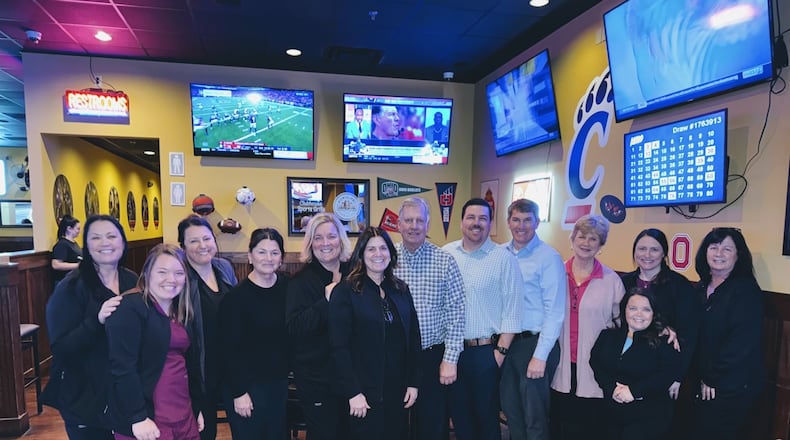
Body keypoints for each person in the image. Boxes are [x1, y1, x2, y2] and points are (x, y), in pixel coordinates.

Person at [41, 215, 138, 439]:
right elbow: (62, 348)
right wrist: (97, 320)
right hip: (86, 400)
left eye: (111, 236)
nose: (105, 243)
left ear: (123, 242)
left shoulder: (132, 280)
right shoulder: (70, 287)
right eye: (96, 237)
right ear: (86, 245)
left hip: (124, 395)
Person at [328, 226, 421, 440]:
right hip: (362, 395)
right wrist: (353, 392)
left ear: (391, 253)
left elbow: (413, 339)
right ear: (361, 254)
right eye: (371, 249)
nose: (378, 254)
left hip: (397, 392)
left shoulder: (400, 289)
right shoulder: (345, 291)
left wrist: (413, 382)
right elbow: (338, 347)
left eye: (383, 248)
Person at [442, 198, 523, 440]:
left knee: (487, 422)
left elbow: (513, 310)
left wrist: (499, 354)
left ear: (490, 224)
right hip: (451, 352)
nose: (476, 223)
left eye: (483, 218)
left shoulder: (504, 258)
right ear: (461, 222)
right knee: (461, 420)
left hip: (486, 353)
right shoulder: (446, 254)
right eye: (471, 217)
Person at [106, 244, 204, 440]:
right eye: (162, 272)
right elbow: (123, 368)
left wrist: (197, 406)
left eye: (179, 273)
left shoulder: (183, 310)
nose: (171, 279)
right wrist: (138, 417)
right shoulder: (130, 307)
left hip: (183, 413)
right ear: (147, 273)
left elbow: (190, 364)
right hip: (147, 419)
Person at [393, 197, 465, 440]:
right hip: (395, 358)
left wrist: (450, 359)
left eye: (419, 220)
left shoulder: (445, 261)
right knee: (395, 424)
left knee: (432, 426)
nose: (414, 226)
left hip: (431, 357)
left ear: (427, 224)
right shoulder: (386, 259)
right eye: (408, 220)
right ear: (399, 224)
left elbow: (456, 314)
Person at [550, 214, 625, 440]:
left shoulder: (612, 281)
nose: (586, 243)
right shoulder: (555, 273)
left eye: (593, 239)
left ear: (601, 245)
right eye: (581, 236)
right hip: (559, 364)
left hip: (595, 368)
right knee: (560, 427)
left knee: (590, 429)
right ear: (572, 239)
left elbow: (622, 325)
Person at [499, 199, 566, 440]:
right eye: (516, 220)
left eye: (528, 220)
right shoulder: (500, 253)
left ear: (537, 222)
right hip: (506, 343)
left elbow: (555, 311)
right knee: (511, 411)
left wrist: (540, 355)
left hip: (534, 344)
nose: (522, 226)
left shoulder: (549, 257)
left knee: (534, 419)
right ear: (508, 222)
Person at [690, 227, 764, 440]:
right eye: (713, 247)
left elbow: (740, 344)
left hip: (730, 385)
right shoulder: (700, 288)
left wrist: (712, 377)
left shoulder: (746, 291)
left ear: (738, 255)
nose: (719, 253)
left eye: (727, 249)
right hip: (703, 380)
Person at [286, 213, 353, 440]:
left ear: (340, 239)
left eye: (331, 236)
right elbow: (295, 328)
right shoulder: (300, 281)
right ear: (310, 243)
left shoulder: (355, 273)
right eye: (318, 237)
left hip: (352, 376)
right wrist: (326, 301)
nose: (326, 243)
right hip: (317, 380)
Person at [219, 228, 290, 440]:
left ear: (281, 257)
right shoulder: (235, 299)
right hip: (246, 387)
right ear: (250, 256)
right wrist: (239, 392)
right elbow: (227, 351)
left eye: (274, 252)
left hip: (278, 383)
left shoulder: (288, 287)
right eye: (261, 252)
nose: (268, 258)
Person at [177, 215, 238, 440]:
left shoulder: (224, 267)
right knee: (204, 432)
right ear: (183, 246)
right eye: (193, 241)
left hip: (230, 366)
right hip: (199, 370)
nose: (202, 245)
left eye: (207, 238)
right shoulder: (179, 276)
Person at [590, 288, 680, 440]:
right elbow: (595, 363)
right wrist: (612, 388)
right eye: (633, 308)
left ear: (654, 314)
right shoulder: (607, 336)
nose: (639, 314)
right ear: (624, 310)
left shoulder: (665, 341)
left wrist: (633, 391)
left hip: (649, 416)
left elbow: (666, 374)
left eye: (646, 309)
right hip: (612, 411)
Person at [620, 229, 698, 402]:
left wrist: (678, 377)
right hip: (627, 366)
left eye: (654, 249)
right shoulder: (623, 282)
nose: (647, 255)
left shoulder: (679, 285)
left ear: (664, 253)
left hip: (662, 372)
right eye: (642, 249)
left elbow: (689, 333)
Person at [52, 214, 83, 285]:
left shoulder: (73, 243)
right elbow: (56, 265)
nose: (79, 231)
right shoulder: (62, 244)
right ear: (69, 229)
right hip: (64, 282)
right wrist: (78, 265)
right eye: (77, 229)